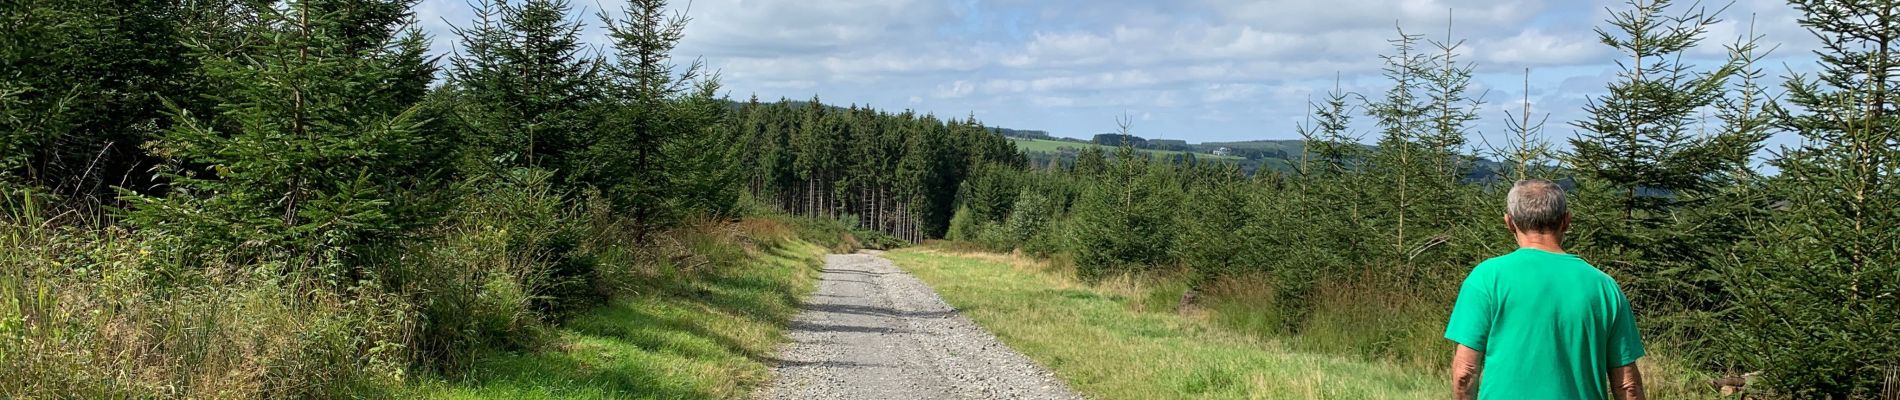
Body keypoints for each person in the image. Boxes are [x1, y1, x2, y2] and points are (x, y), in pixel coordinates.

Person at [1445, 179, 1647, 400]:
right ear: (1566, 221)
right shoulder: (1604, 287)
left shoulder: (1486, 278)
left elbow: (1465, 373)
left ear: (1510, 223)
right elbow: (1628, 385)